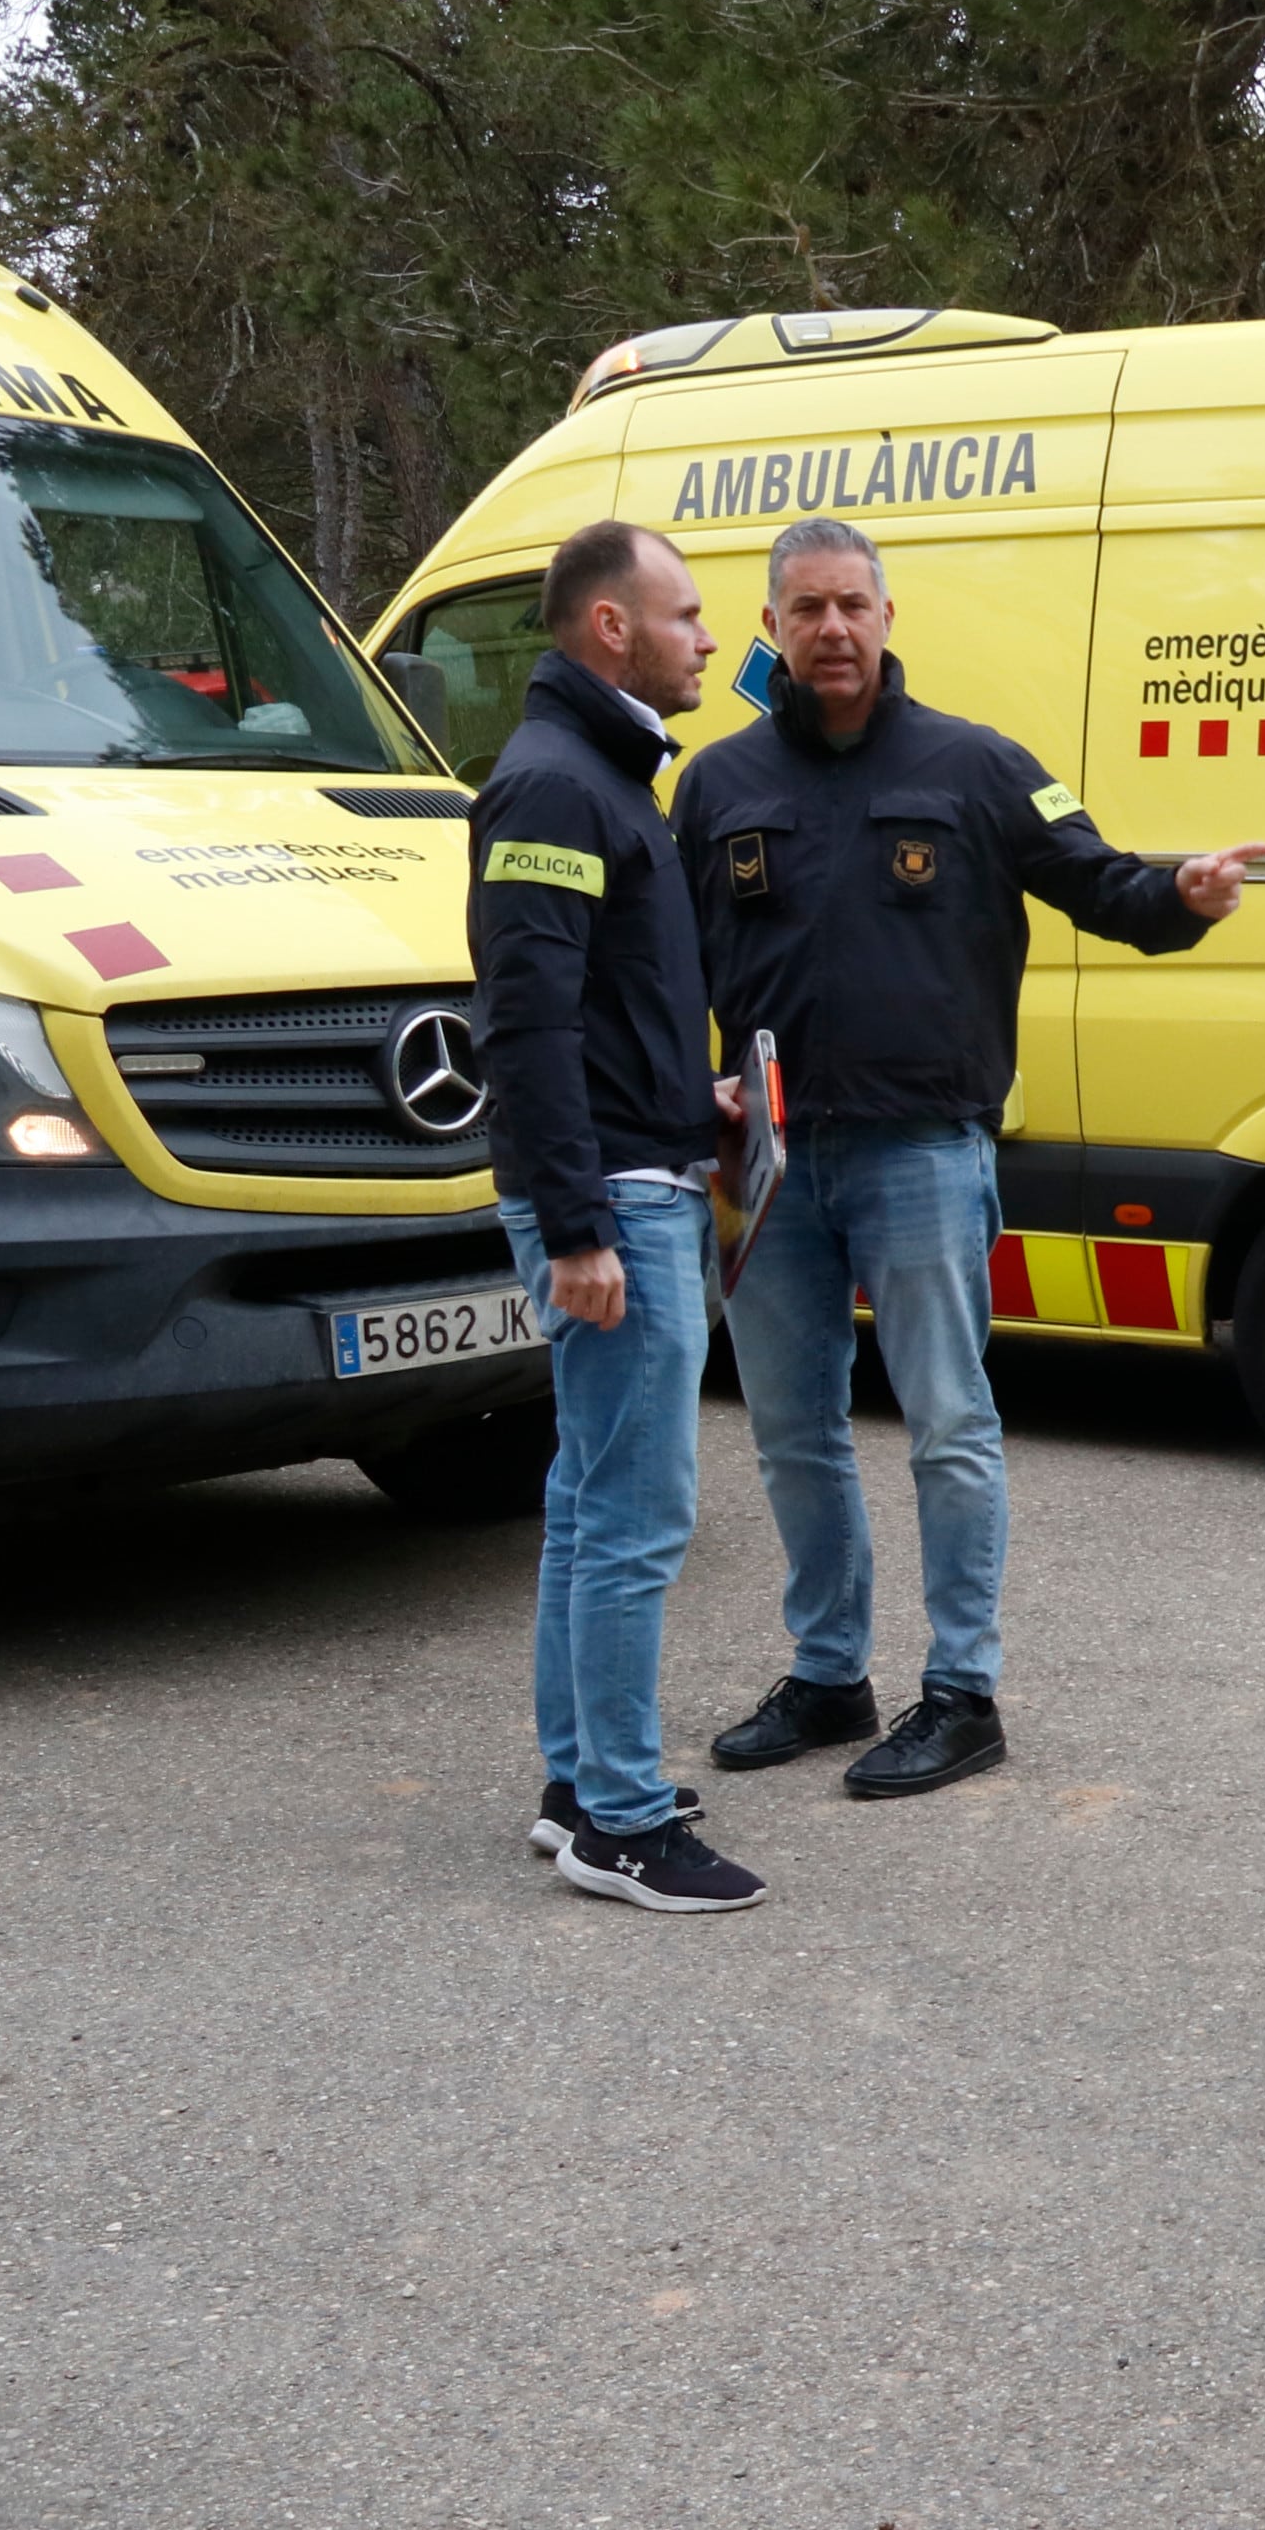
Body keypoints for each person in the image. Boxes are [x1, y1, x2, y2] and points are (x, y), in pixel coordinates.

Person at [678, 517, 1265, 1797]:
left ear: (888, 619)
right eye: (806, 609)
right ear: (771, 628)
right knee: (791, 1429)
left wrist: (1186, 896)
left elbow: (1104, 884)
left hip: (922, 1151)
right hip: (770, 1160)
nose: (831, 629)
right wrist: (690, 1093)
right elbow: (673, 968)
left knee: (947, 1422)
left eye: (852, 605)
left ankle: (963, 1694)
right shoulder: (717, 787)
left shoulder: (979, 768)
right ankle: (830, 1675)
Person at [469, 520, 761, 1910]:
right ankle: (623, 1825)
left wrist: (683, 1099)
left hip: (635, 1171)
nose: (713, 637)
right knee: (637, 1514)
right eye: (689, 614)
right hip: (612, 1214)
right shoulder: (552, 787)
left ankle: (580, 1782)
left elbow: (594, 1012)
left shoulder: (600, 773)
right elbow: (522, 1027)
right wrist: (581, 1224)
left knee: (589, 1505)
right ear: (610, 629)